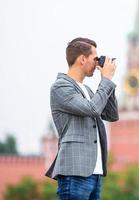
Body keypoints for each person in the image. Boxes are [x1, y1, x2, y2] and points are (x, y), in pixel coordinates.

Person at [45, 37, 119, 200]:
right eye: (95, 59)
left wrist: (106, 82)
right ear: (82, 59)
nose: (97, 63)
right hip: (75, 171)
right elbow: (92, 109)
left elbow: (112, 115)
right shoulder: (61, 87)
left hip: (95, 172)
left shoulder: (87, 90)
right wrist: (106, 81)